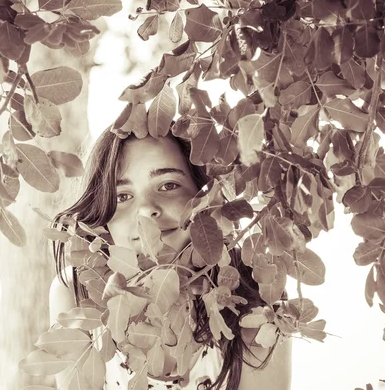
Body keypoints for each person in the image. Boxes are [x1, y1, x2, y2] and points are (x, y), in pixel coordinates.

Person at [48, 124, 292, 389]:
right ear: (104, 218)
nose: (145, 210)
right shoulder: (76, 292)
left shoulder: (255, 304)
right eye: (123, 196)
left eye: (168, 185)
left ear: (206, 199)